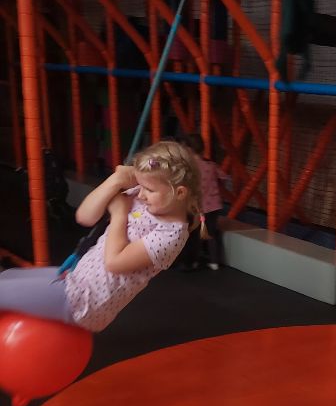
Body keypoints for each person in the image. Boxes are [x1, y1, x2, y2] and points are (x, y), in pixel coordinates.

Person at [0, 139, 200, 332]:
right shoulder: (143, 196)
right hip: (75, 277)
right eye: (141, 186)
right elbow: (84, 217)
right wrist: (115, 181)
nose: (141, 194)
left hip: (84, 301)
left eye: (149, 189)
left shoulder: (170, 235)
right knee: (7, 277)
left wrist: (119, 214)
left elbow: (114, 262)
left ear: (180, 193)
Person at [183, 133, 224, 271]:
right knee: (211, 233)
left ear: (188, 149)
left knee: (194, 234)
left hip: (198, 206)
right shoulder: (211, 164)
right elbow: (223, 176)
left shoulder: (190, 168)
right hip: (214, 205)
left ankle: (194, 261)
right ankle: (215, 262)